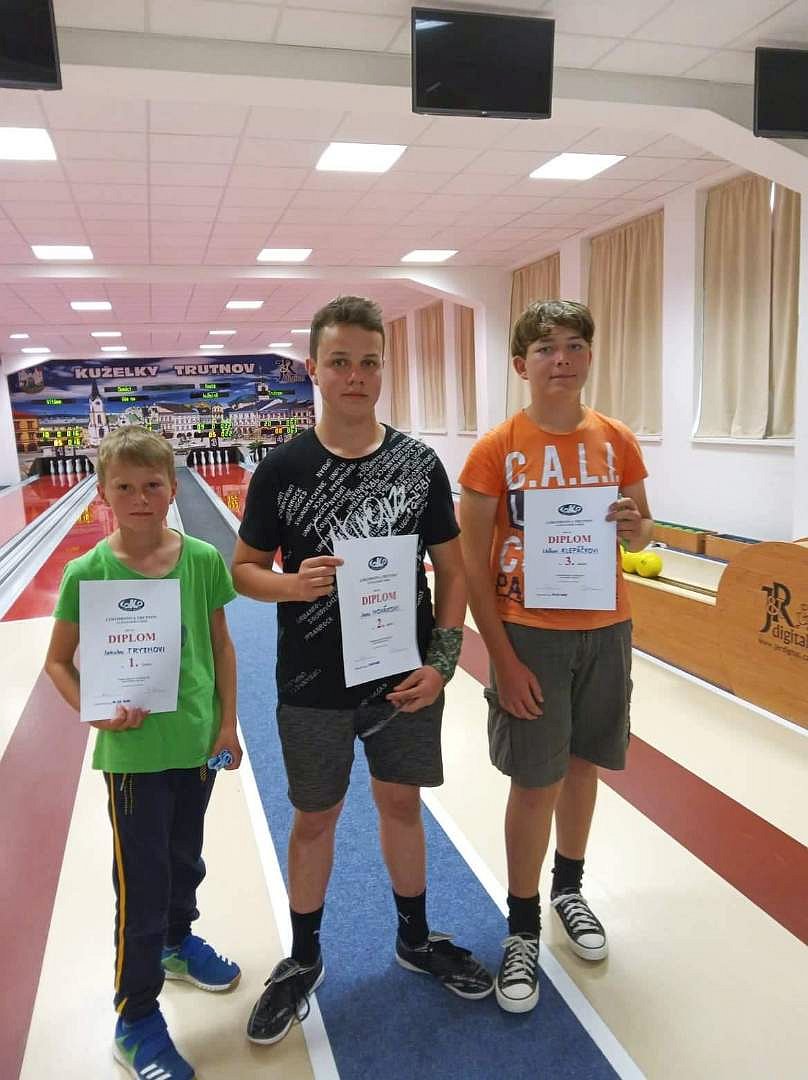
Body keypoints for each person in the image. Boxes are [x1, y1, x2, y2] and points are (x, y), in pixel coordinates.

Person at [232, 295, 493, 1047]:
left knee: (402, 805)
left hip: (403, 678)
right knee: (315, 818)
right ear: (313, 369)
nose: (355, 376)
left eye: (369, 362)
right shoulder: (282, 468)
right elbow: (244, 569)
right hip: (311, 685)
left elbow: (453, 571)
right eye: (340, 361)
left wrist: (443, 662)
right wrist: (292, 586)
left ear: (383, 368)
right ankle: (304, 957)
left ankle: (414, 939)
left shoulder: (417, 465)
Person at [458, 300, 652, 1014]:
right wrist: (501, 661)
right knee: (535, 781)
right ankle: (521, 926)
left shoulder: (617, 440)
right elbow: (473, 565)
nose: (561, 359)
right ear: (522, 364)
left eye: (574, 346)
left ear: (590, 356)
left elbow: (641, 531)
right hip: (530, 634)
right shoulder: (495, 449)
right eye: (545, 349)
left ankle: (569, 890)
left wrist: (635, 527)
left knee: (583, 766)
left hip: (606, 628)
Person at [45, 425, 242, 1080]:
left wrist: (226, 725)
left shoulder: (202, 560)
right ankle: (134, 1019)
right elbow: (57, 663)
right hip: (132, 758)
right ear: (102, 494)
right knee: (143, 884)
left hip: (196, 744)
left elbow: (221, 647)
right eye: (124, 487)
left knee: (185, 859)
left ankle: (177, 944)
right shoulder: (87, 572)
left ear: (173, 488)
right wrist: (93, 709)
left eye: (152, 485)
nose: (139, 498)